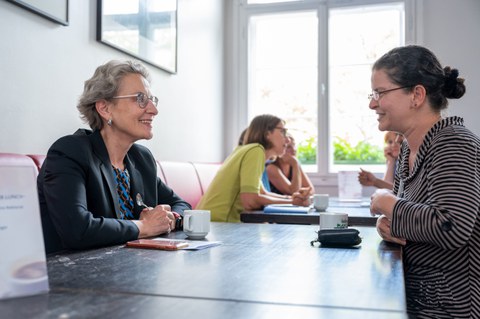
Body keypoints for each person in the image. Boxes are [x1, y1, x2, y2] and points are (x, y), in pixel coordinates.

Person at [368, 45, 478, 318]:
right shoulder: (408, 148)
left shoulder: (453, 142)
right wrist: (388, 226)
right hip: (418, 298)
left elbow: (450, 225)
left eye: (380, 93)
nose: (372, 103)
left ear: (416, 95)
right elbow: (416, 222)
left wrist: (388, 203)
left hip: (450, 307)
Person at [38, 60, 191, 254]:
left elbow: (182, 205)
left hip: (128, 270)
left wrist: (168, 218)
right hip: (70, 277)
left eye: (152, 99)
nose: (153, 109)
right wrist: (144, 226)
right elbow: (77, 230)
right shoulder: (69, 152)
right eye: (140, 98)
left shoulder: (141, 159)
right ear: (105, 108)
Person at [196, 114, 311, 222]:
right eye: (282, 131)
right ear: (267, 133)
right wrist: (293, 201)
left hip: (208, 222)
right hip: (217, 224)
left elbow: (263, 193)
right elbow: (250, 201)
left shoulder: (248, 150)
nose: (288, 140)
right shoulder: (256, 151)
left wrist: (290, 198)